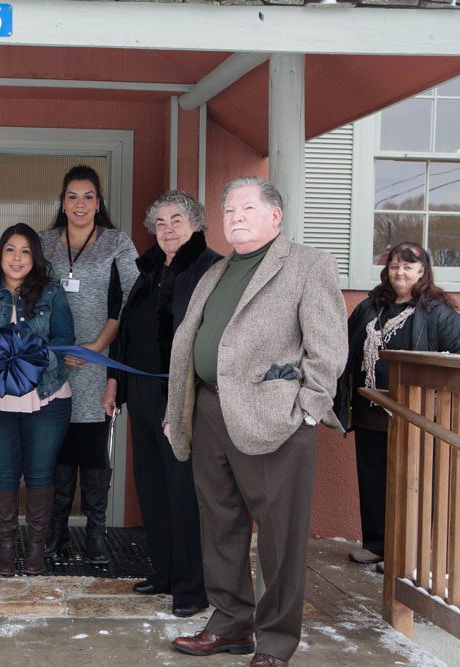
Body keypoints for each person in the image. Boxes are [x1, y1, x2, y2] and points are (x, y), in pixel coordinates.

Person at [164, 177, 347, 666]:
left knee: (281, 537)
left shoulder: (309, 264)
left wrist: (307, 409)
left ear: (275, 216)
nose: (235, 216)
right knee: (220, 524)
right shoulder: (216, 271)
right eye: (228, 210)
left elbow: (328, 348)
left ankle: (276, 641)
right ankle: (230, 624)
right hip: (209, 410)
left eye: (247, 208)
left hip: (276, 418)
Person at [103, 189, 220, 617]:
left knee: (183, 489)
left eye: (177, 220)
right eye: (161, 223)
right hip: (144, 392)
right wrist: (116, 382)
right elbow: (127, 333)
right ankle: (165, 572)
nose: (168, 230)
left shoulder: (211, 268)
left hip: (185, 395)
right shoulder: (146, 270)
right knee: (151, 485)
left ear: (196, 225)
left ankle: (193, 587)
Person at [0, 223, 75, 576]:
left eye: (24, 251)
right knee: (4, 473)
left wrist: (32, 360)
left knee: (39, 473)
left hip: (47, 396)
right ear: (0, 255)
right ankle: (5, 549)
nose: (17, 258)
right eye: (10, 249)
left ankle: (35, 550)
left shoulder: (51, 292)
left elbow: (65, 336)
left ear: (34, 257)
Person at [336, 242, 460, 566]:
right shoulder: (370, 307)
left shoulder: (438, 312)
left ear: (423, 272)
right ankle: (377, 544)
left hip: (415, 415)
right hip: (369, 412)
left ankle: (407, 556)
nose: (399, 272)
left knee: (412, 485)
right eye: (394, 266)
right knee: (372, 478)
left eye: (408, 266)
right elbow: (343, 350)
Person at [40, 165, 138, 564]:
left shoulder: (116, 242)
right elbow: (25, 295)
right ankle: (56, 532)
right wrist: (51, 348)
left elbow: (130, 301)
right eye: (72, 197)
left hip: (99, 363)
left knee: (94, 451)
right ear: (62, 204)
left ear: (99, 204)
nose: (80, 204)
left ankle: (96, 533)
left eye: (88, 197)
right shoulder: (43, 244)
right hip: (51, 363)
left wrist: (96, 347)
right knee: (58, 449)